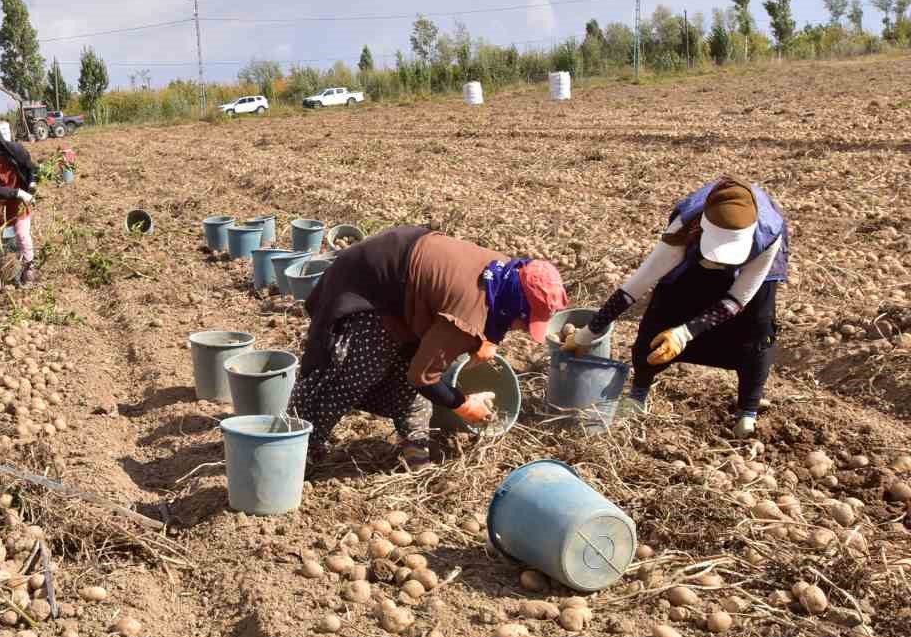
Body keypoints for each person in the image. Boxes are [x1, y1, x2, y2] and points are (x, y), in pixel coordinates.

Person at [289, 226, 568, 468]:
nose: (521, 328)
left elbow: (478, 312)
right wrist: (462, 404)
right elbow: (422, 377)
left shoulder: (506, 276)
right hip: (372, 283)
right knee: (357, 373)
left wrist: (488, 338)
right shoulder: (466, 315)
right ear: (517, 304)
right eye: (525, 320)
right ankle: (300, 440)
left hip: (408, 276)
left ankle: (414, 443)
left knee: (420, 357)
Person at [565, 177, 788, 438]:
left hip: (753, 280)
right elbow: (634, 288)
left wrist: (684, 334)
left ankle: (747, 412)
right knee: (663, 311)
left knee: (756, 330)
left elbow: (736, 300)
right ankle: (638, 395)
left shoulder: (768, 234)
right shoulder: (684, 228)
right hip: (693, 259)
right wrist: (587, 335)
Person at [0, 121, 39, 287]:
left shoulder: (15, 151)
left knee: (22, 234)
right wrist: (17, 192)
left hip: (18, 198)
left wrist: (31, 184)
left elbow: (31, 168)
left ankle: (29, 268)